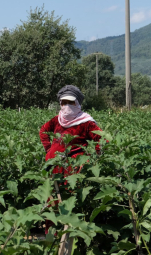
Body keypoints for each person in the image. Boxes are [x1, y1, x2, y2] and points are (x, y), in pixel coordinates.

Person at [39, 85, 105, 233]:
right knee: (52, 200)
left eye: (71, 102)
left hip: (73, 168)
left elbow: (101, 140)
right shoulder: (57, 120)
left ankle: (71, 234)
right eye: (64, 103)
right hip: (54, 166)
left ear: (78, 104)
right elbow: (43, 131)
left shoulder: (86, 122)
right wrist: (49, 150)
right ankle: (52, 234)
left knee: (70, 200)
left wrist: (90, 160)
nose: (67, 106)